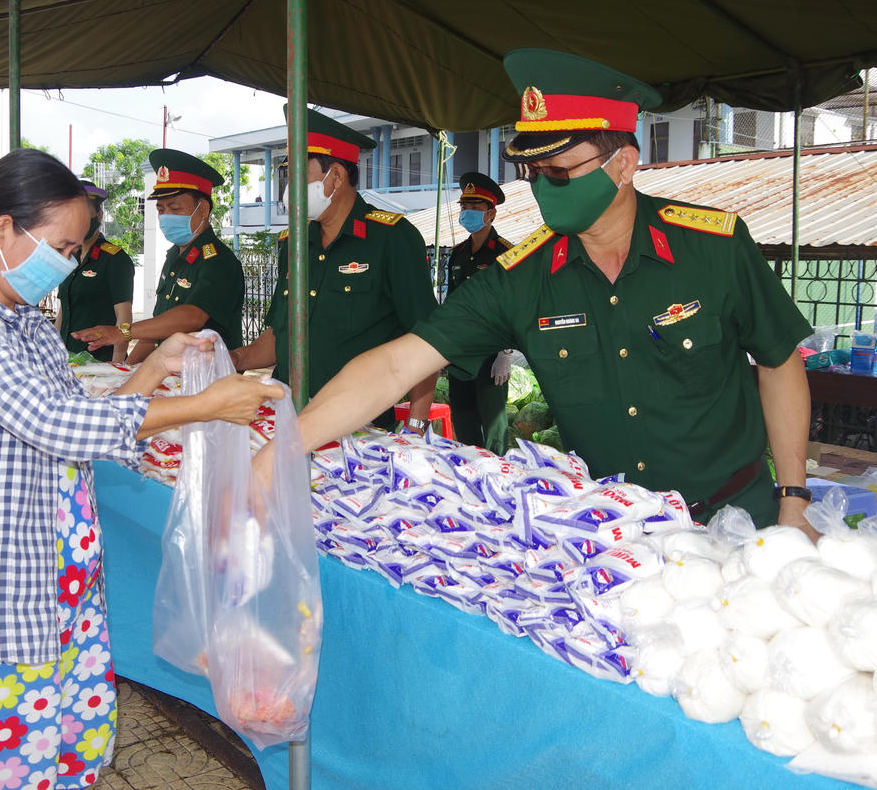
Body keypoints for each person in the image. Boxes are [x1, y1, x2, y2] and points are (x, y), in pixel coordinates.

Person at [272, 50, 816, 535]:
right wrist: (278, 454)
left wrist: (793, 499)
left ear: (623, 163)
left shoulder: (713, 247)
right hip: (611, 536)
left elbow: (778, 360)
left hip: (736, 521)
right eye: (531, 172)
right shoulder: (523, 276)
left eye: (558, 172)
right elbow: (394, 367)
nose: (540, 188)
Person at [0, 148, 281, 790]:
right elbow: (50, 422)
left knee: (71, 751)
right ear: (3, 231)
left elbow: (79, 418)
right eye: (62, 246)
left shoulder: (24, 323)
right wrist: (204, 404)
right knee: (9, 761)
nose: (69, 263)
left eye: (76, 250)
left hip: (62, 581)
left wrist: (156, 368)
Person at [231, 107, 440, 432]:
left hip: (357, 429)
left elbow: (426, 342)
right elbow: (279, 337)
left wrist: (415, 426)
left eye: (300, 175)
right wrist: (238, 359)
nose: (289, 189)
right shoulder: (293, 243)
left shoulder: (391, 238)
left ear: (337, 177)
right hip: (284, 419)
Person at [73, 150, 244, 365]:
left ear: (203, 209)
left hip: (209, 376)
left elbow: (192, 316)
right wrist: (124, 370)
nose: (165, 216)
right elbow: (157, 331)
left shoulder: (218, 261)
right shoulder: (174, 256)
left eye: (175, 208)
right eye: (161, 209)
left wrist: (124, 333)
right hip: (174, 375)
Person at [446, 172, 514, 452]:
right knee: (463, 421)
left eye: (475, 209)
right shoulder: (458, 254)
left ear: (491, 214)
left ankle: (499, 478)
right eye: (464, 208)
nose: (467, 214)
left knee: (493, 425)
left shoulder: (505, 254)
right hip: (461, 350)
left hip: (490, 354)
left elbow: (513, 305)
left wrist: (505, 354)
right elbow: (451, 303)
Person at [56, 180, 135, 363]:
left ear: (99, 215)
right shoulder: (69, 257)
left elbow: (124, 317)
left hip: (100, 362)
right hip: (69, 360)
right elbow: (64, 310)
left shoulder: (115, 259)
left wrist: (116, 365)